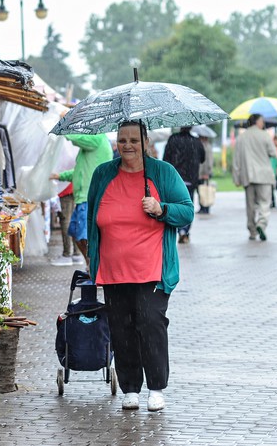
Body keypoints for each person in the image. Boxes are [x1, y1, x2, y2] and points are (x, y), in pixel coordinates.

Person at [87, 120, 193, 412]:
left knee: (150, 324)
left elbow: (187, 211)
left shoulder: (162, 172)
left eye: (134, 139)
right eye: (122, 140)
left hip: (152, 269)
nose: (128, 145)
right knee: (121, 329)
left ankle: (156, 387)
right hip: (113, 269)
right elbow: (92, 216)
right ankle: (130, 388)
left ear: (146, 142)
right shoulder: (103, 174)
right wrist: (91, 257)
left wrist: (162, 209)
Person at [50, 132, 113, 265]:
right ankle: (91, 266)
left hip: (89, 198)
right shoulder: (90, 147)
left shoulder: (97, 138)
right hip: (83, 198)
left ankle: (95, 268)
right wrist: (59, 176)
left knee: (85, 237)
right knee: (76, 233)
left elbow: (79, 138)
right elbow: (79, 171)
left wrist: (66, 130)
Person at [231, 114, 277, 241]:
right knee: (264, 203)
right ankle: (261, 224)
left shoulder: (241, 138)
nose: (263, 124)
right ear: (257, 122)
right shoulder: (265, 135)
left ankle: (252, 231)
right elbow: (274, 153)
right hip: (264, 175)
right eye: (262, 121)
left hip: (248, 175)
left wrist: (236, 177)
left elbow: (236, 160)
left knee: (250, 205)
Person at [162, 127, 205, 243]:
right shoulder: (196, 141)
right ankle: (184, 231)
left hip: (175, 179)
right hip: (190, 179)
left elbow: (165, 158)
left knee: (175, 205)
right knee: (187, 205)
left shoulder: (173, 139)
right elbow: (202, 158)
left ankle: (178, 229)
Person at [50, 183, 84, 266]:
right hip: (76, 189)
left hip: (65, 190)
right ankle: (76, 253)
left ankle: (67, 254)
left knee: (65, 221)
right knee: (75, 220)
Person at [197, 135, 213, 214]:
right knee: (201, 190)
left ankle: (205, 207)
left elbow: (208, 161)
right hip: (200, 173)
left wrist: (207, 172)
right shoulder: (204, 145)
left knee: (204, 191)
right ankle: (202, 206)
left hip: (204, 173)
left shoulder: (206, 146)